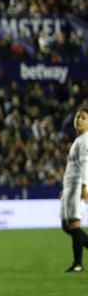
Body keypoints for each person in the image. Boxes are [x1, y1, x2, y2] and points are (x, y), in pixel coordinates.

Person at [60, 109, 88, 273]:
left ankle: (78, 264)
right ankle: (77, 263)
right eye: (78, 117)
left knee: (74, 224)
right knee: (66, 225)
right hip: (71, 186)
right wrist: (66, 189)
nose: (79, 120)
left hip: (78, 185)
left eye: (84, 118)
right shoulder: (79, 140)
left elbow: (85, 165)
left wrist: (84, 187)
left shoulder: (85, 141)